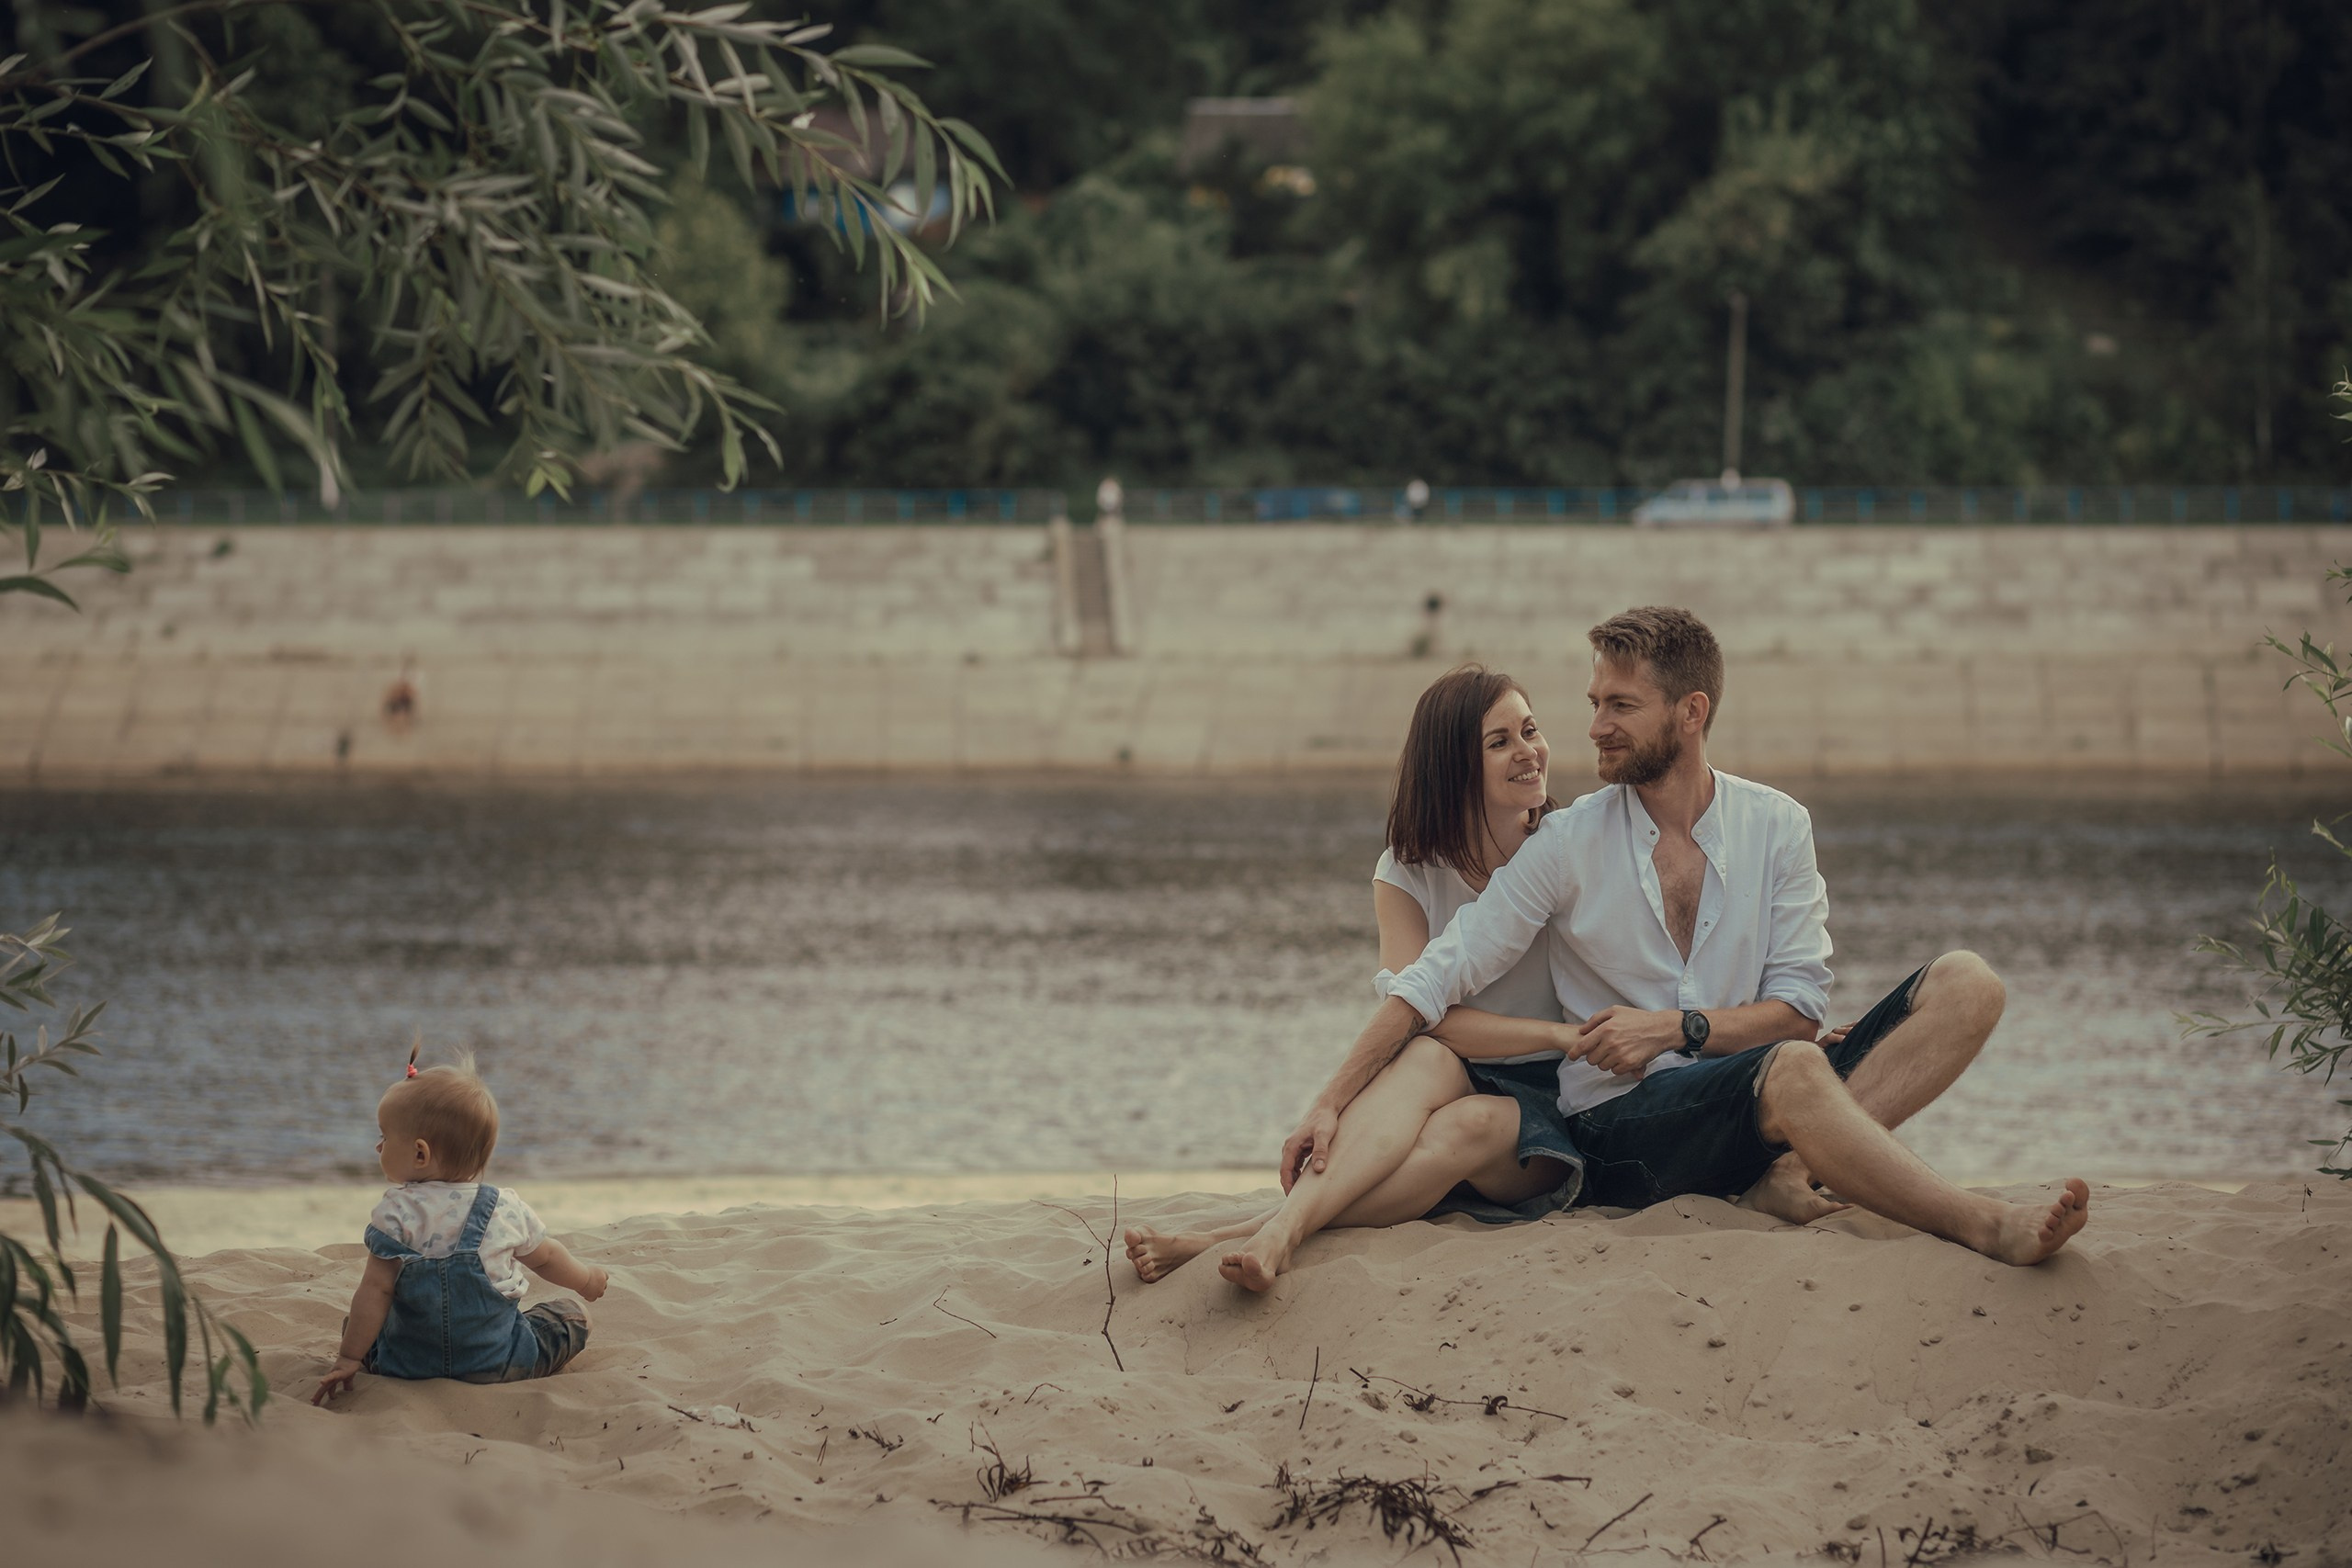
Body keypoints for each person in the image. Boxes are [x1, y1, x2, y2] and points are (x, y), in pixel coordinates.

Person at [1214, 606, 2086, 1292]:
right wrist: (1330, 1101)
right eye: (1592, 703)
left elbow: (1799, 1004)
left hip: (1748, 1074)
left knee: (1968, 983)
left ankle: (1784, 1167)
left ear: (1690, 712)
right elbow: (1437, 978)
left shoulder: (1778, 825)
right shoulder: (1564, 840)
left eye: (1618, 706)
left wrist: (1679, 1028)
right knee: (1792, 1068)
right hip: (1624, 1123)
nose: (1591, 727)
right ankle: (1978, 1222)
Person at [1125, 665, 1584, 1281]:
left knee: (1465, 1120)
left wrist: (1554, 1040)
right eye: (1500, 742)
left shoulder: (1568, 849)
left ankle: (1241, 1236)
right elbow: (1423, 1023)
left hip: (1560, 1097)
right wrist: (1331, 1103)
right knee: (1425, 1056)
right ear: (1453, 765)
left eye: (1530, 730)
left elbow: (1435, 1021)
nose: (1529, 752)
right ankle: (1277, 1231)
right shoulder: (1405, 871)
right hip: (1447, 1073)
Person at [314, 1052, 608, 1403]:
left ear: (420, 1154)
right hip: (499, 1363)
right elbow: (546, 1257)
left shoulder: (394, 1213)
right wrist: (587, 1279)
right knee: (574, 1317)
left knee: (356, 1324)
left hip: (407, 1365)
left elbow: (375, 1290)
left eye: (384, 1137)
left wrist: (349, 1357)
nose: (378, 1146)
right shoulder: (504, 1207)